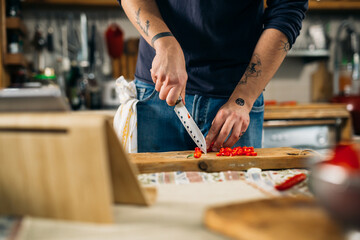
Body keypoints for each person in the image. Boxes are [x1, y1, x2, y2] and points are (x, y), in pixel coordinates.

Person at [119, 0, 308, 152]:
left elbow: (288, 9)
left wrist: (243, 99)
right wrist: (164, 43)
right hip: (158, 94)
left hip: (236, 105)